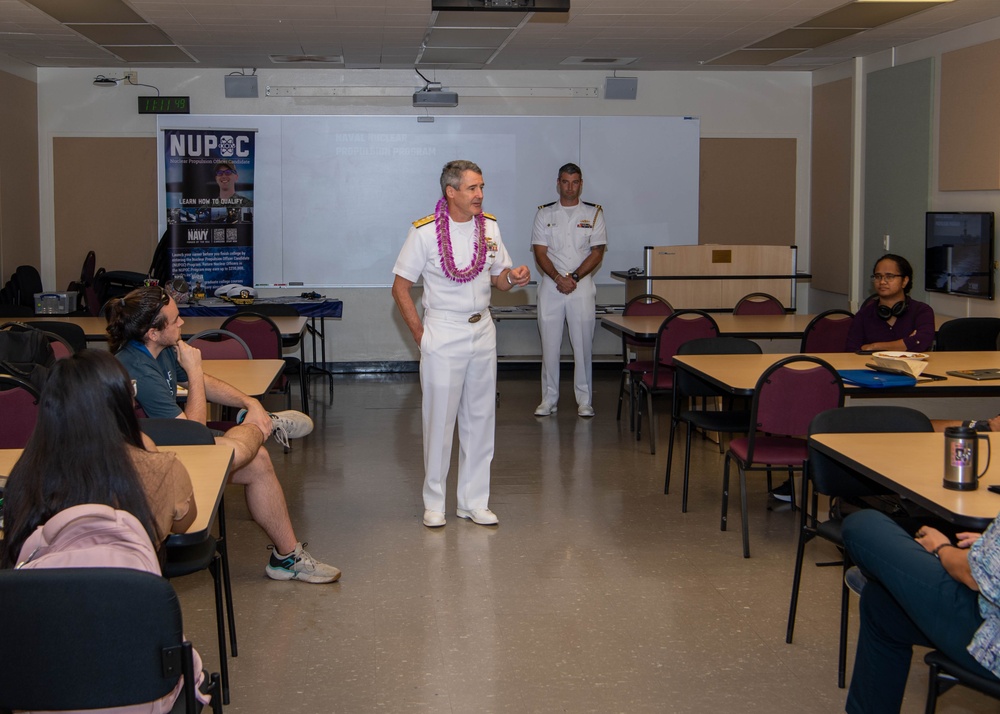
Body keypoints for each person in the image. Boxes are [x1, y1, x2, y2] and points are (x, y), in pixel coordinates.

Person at [0, 350, 213, 711]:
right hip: (138, 678)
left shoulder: (24, 476)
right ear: (122, 404)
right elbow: (185, 522)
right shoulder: (160, 471)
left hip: (45, 677)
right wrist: (146, 446)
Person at [106, 286, 341, 584]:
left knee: (258, 461)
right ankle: (262, 426)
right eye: (175, 319)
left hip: (174, 449)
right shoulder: (136, 367)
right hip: (151, 471)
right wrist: (193, 370)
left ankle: (286, 558)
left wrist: (249, 402)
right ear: (152, 332)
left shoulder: (160, 349)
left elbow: (205, 384)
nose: (182, 323)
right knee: (247, 450)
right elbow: (196, 437)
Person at [391, 160, 530, 528]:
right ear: (450, 192)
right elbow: (400, 287)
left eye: (482, 186)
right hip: (443, 332)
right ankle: (434, 502)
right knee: (439, 420)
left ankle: (473, 500)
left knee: (481, 418)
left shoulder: (491, 228)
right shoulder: (423, 232)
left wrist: (512, 277)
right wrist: (422, 336)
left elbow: (498, 278)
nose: (480, 195)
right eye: (472, 188)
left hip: (483, 329)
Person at [841, 509, 1000, 713]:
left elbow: (971, 575)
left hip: (990, 636)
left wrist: (941, 548)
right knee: (882, 605)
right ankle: (889, 580)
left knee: (861, 524)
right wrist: (988, 549)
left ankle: (885, 575)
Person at [531, 163, 607, 418]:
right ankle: (548, 399)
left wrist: (573, 277)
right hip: (551, 287)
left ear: (581, 184)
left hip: (581, 286)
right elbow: (540, 252)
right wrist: (557, 277)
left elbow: (598, 252)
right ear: (558, 183)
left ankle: (584, 400)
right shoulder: (545, 214)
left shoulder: (594, 213)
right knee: (549, 346)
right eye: (565, 181)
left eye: (575, 182)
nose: (570, 187)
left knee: (583, 346)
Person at [846, 253, 935, 353]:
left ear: (904, 281)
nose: (882, 282)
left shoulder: (921, 310)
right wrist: (905, 344)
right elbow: (851, 351)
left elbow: (921, 341)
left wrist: (873, 346)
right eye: (878, 276)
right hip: (872, 367)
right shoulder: (864, 315)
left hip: (911, 367)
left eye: (889, 276)